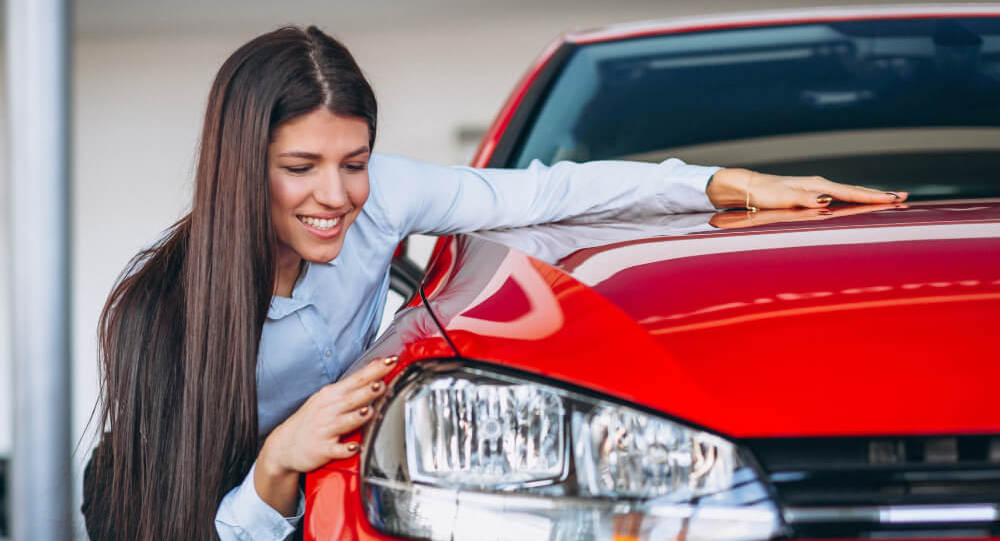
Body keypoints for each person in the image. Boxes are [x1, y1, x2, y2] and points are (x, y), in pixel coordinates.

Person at [83, 25, 907, 540]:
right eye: (300, 168)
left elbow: (545, 192)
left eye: (355, 163)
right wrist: (277, 460)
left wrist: (723, 183)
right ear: (240, 167)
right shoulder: (162, 315)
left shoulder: (384, 199)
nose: (335, 196)